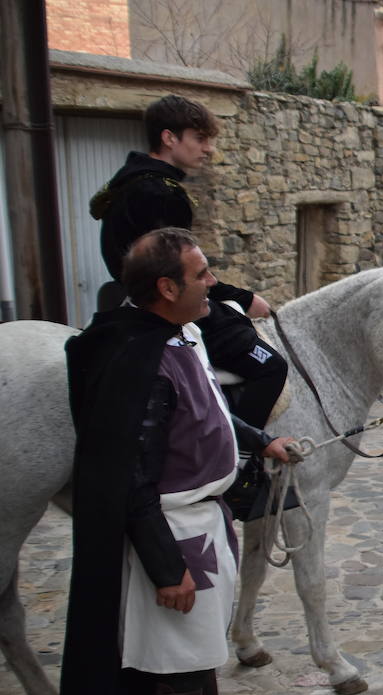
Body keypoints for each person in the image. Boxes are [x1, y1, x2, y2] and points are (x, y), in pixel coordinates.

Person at [53, 228, 291, 695]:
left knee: (202, 640)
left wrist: (260, 440)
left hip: (203, 519)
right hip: (173, 528)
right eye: (203, 274)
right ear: (166, 286)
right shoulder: (140, 357)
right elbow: (130, 477)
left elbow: (207, 406)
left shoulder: (182, 334)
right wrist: (165, 567)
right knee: (181, 655)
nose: (214, 283)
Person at [89, 95, 287, 443]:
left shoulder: (127, 183)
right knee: (271, 366)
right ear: (169, 138)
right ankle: (238, 455)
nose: (208, 149)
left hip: (134, 298)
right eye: (200, 138)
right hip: (164, 305)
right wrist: (245, 297)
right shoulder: (162, 193)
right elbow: (182, 275)